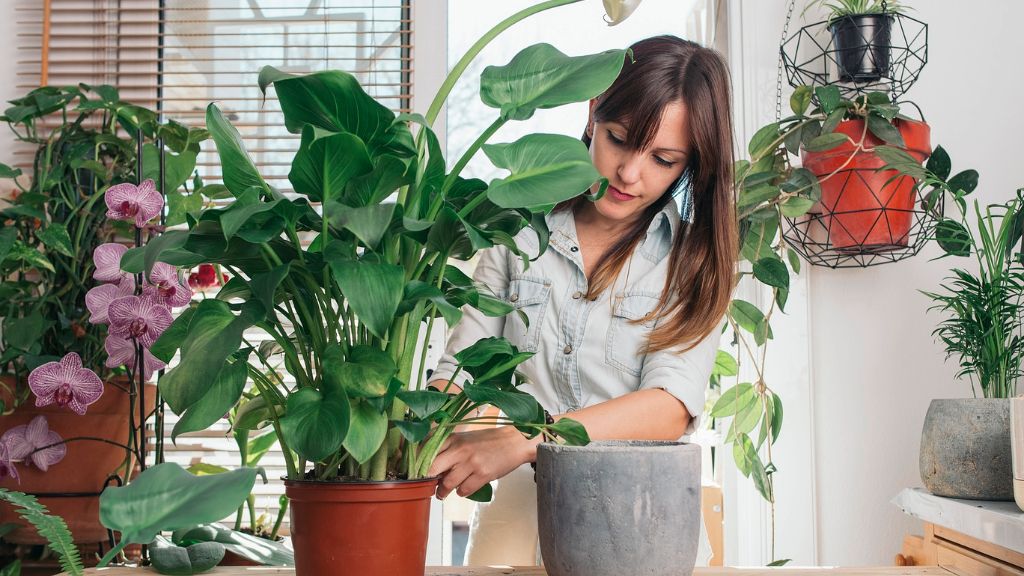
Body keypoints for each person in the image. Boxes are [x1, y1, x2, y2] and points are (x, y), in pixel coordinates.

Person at [428, 34, 737, 566]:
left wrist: (529, 439)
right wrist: (423, 425)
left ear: (690, 164)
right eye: (619, 139)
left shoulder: (692, 259)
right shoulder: (518, 229)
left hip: (645, 518)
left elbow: (667, 407)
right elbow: (464, 369)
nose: (630, 174)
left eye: (663, 159)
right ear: (594, 112)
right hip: (519, 512)